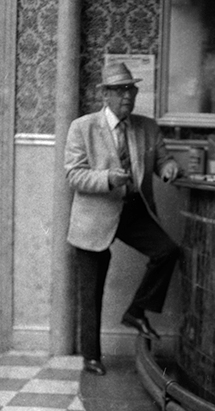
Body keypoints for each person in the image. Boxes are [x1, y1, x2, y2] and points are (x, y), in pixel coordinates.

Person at [65, 61, 182, 376]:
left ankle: (135, 311)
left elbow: (162, 158)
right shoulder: (83, 127)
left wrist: (169, 167)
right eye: (119, 90)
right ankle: (91, 357)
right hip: (94, 215)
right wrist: (107, 179)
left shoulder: (147, 127)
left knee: (167, 251)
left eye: (131, 88)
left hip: (132, 210)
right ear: (105, 94)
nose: (127, 95)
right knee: (91, 290)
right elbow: (74, 175)